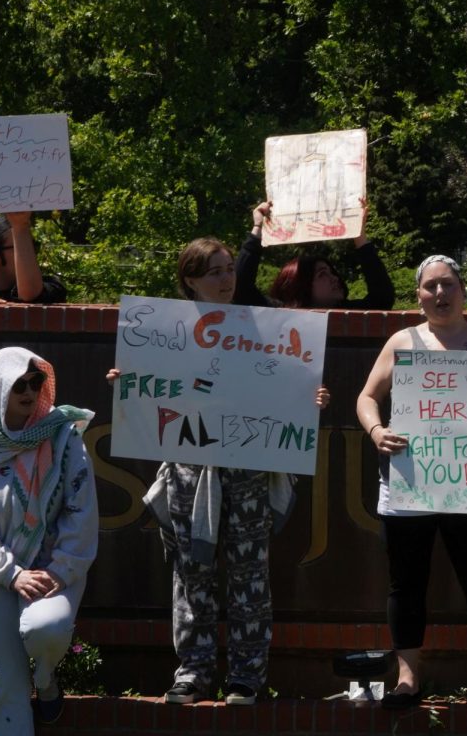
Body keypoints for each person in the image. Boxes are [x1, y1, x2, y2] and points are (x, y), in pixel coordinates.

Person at [107, 237, 330, 706]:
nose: (227, 278)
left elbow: (291, 385)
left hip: (249, 467)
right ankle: (193, 671)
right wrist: (131, 384)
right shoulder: (165, 332)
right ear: (190, 280)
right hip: (191, 470)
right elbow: (155, 392)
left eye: (229, 268)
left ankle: (247, 676)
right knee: (193, 573)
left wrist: (311, 402)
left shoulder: (263, 325)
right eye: (214, 271)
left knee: (250, 574)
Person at [356, 255, 467, 710]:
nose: (440, 294)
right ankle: (408, 679)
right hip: (407, 483)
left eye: (447, 284)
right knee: (406, 584)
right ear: (418, 295)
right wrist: (377, 431)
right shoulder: (401, 341)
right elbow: (367, 397)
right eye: (430, 286)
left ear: (463, 289)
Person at [0, 347, 97, 733]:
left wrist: (61, 569)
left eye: (37, 381)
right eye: (20, 381)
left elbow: (81, 511)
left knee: (43, 629)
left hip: (52, 566)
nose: (30, 390)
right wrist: (11, 574)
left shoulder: (63, 436)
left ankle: (46, 679)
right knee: (0, 686)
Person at [234, 199, 395, 309]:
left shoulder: (348, 314)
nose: (334, 278)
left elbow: (382, 298)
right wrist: (257, 229)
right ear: (299, 285)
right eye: (322, 274)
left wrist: (359, 235)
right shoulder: (279, 314)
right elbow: (240, 288)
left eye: (331, 272)